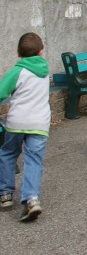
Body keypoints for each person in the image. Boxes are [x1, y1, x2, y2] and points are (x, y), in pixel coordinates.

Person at [0, 33, 50, 222]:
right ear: (41, 51)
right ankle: (31, 199)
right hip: (39, 123)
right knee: (33, 160)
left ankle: (5, 193)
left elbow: (1, 92)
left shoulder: (17, 71)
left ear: (17, 52)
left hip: (17, 122)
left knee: (8, 153)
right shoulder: (45, 70)